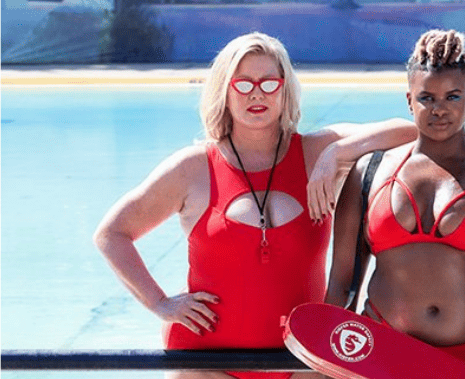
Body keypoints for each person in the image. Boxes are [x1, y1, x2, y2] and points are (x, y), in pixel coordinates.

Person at [93, 32, 418, 379]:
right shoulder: (192, 168)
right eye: (244, 84)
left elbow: (411, 131)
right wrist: (160, 303)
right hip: (206, 362)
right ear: (225, 90)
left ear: (285, 89)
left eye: (269, 82)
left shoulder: (314, 152)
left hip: (302, 360)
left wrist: (338, 153)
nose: (257, 93)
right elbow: (112, 234)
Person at [323, 29, 465, 378]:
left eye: (452, 97)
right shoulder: (368, 173)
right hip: (382, 349)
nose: (440, 109)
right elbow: (342, 282)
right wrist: (330, 354)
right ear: (409, 100)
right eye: (427, 98)